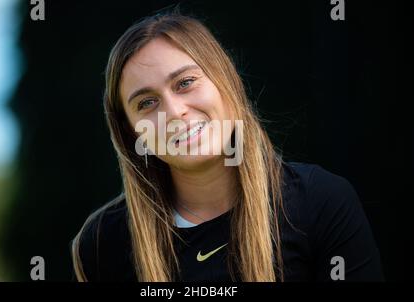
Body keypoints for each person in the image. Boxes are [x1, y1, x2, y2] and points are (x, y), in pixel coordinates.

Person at [70, 11, 384, 282]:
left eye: (185, 83)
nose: (174, 112)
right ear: (132, 132)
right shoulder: (103, 241)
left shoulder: (321, 204)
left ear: (226, 82)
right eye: (147, 102)